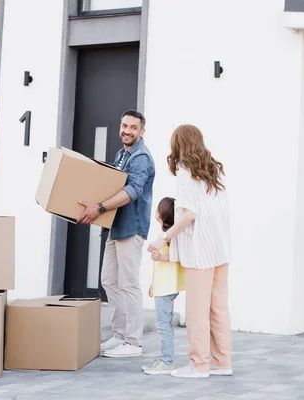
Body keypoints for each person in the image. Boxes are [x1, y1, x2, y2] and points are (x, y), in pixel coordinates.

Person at [148, 124, 232, 379]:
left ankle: (199, 365)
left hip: (199, 252)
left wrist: (164, 235)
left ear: (179, 144)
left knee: (196, 311)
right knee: (218, 308)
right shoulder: (215, 170)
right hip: (220, 249)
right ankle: (222, 362)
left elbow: (188, 215)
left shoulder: (185, 172)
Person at [78, 109, 155, 358]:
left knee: (129, 284)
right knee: (109, 280)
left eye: (133, 127)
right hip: (116, 226)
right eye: (124, 126)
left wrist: (99, 207)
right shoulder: (122, 154)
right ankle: (119, 335)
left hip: (132, 228)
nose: (127, 130)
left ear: (142, 132)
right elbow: (110, 184)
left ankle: (133, 342)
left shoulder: (141, 157)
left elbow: (132, 190)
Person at [142, 197, 186, 375]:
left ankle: (167, 361)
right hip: (164, 287)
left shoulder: (168, 238)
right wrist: (153, 285)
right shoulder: (168, 237)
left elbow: (179, 256)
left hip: (166, 288)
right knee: (164, 324)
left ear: (159, 215)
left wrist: (160, 257)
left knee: (163, 325)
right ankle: (164, 359)